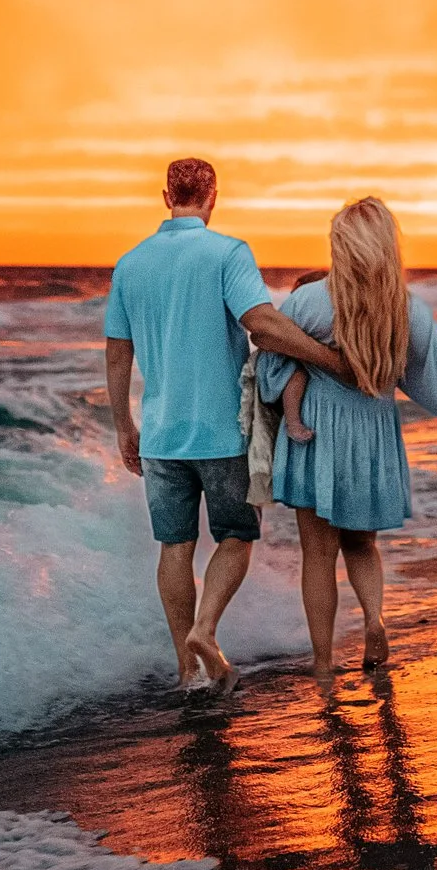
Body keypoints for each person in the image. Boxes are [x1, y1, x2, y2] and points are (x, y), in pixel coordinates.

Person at [258, 198, 437, 697]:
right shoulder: (409, 310)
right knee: (363, 544)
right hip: (373, 434)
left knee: (318, 554)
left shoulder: (311, 302)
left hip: (318, 430)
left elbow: (271, 364)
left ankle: (325, 664)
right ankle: (374, 618)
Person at [105, 158, 348, 695]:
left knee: (175, 546)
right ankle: (205, 631)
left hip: (162, 435)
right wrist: (330, 360)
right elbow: (260, 322)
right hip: (222, 432)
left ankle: (187, 670)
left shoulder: (130, 263)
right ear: (213, 196)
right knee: (236, 536)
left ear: (165, 195)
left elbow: (118, 353)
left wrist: (124, 425)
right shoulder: (227, 253)